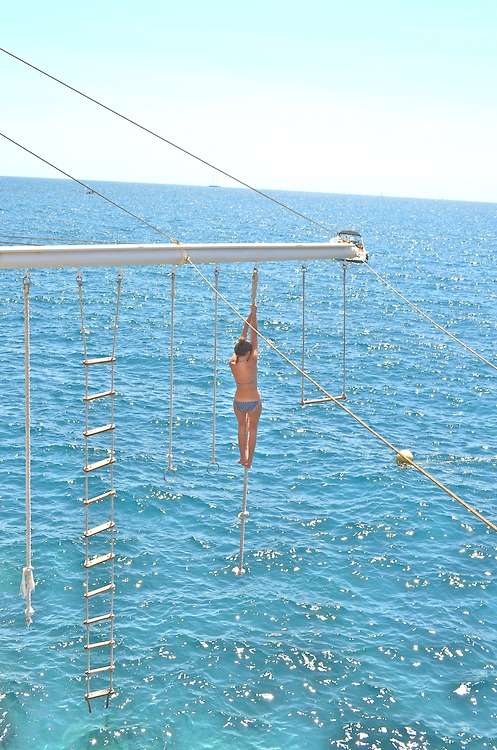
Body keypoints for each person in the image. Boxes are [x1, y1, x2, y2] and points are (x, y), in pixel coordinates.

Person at [229, 303, 262, 469]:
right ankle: (250, 460)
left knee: (241, 428)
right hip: (253, 401)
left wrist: (249, 317)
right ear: (248, 352)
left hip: (238, 402)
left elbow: (241, 341)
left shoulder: (232, 363)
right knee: (252, 430)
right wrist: (254, 316)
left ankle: (243, 457)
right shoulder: (252, 361)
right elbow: (254, 336)